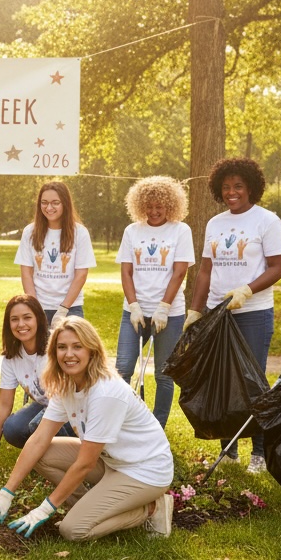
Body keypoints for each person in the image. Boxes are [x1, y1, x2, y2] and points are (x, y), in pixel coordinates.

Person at [0, 317, 174, 541]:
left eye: (77, 346)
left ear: (92, 350)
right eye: (62, 347)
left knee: (73, 530)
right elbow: (38, 439)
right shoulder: (67, 385)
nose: (69, 354)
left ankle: (150, 509)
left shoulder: (105, 393)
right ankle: (90, 507)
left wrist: (45, 509)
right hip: (113, 461)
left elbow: (85, 463)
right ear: (53, 353)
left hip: (145, 472)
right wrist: (5, 493)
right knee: (41, 454)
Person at [186, 157, 281, 473]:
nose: (232, 192)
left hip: (253, 313)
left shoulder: (267, 221)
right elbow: (205, 271)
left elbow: (278, 268)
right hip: (219, 314)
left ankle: (260, 452)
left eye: (238, 186)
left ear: (251, 188)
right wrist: (195, 310)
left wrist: (246, 290)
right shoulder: (215, 224)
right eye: (226, 187)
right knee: (223, 380)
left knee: (252, 382)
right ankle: (227, 448)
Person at [113, 176, 194, 427]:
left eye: (160, 206)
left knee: (163, 374)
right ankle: (119, 422)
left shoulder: (181, 230)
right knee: (123, 369)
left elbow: (180, 272)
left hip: (169, 314)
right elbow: (126, 272)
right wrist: (134, 306)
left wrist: (163, 308)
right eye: (149, 206)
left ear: (170, 205)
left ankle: (156, 427)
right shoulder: (132, 231)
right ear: (140, 205)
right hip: (134, 312)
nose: (154, 211)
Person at [0, 295, 76, 471]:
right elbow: (5, 402)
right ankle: (49, 456)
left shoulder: (56, 344)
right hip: (46, 404)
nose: (21, 324)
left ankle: (73, 461)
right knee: (13, 428)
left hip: (74, 405)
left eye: (27, 317)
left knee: (37, 424)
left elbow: (69, 394)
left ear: (38, 318)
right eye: (15, 319)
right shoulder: (12, 357)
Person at [14, 181, 97, 327]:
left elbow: (81, 275)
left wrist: (63, 309)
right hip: (39, 306)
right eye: (44, 203)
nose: (49, 207)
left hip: (71, 308)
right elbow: (26, 273)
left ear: (65, 204)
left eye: (55, 203)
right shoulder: (29, 232)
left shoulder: (80, 233)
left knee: (69, 349)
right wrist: (35, 308)